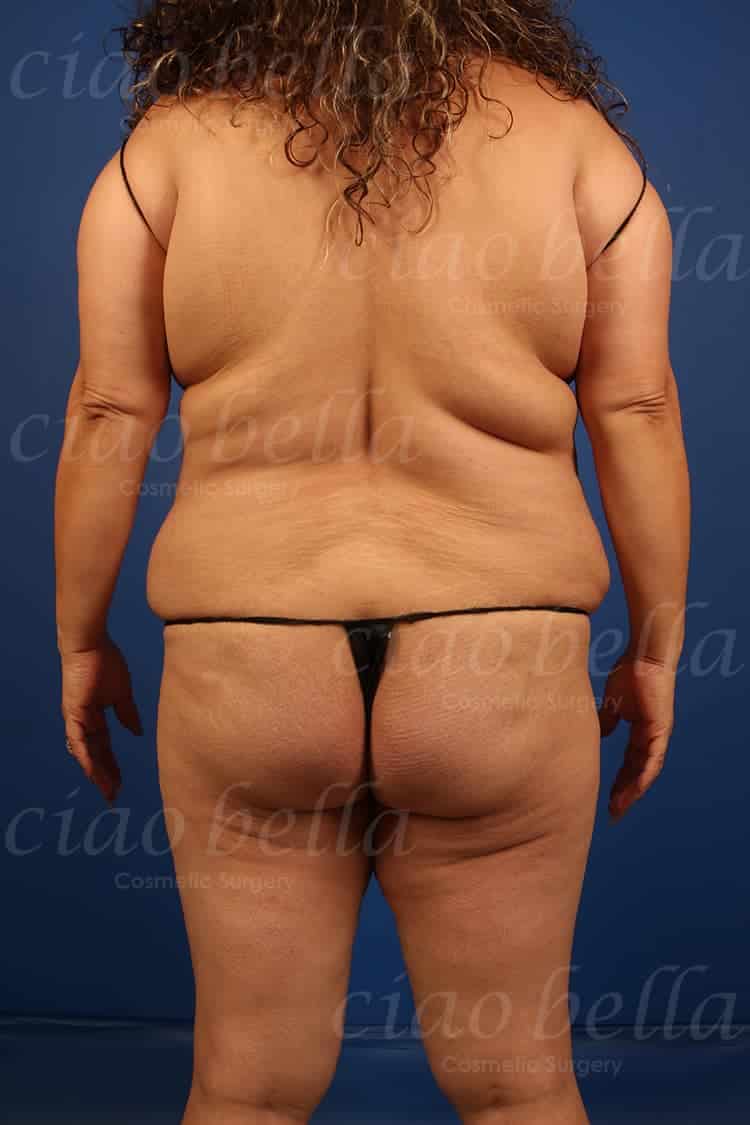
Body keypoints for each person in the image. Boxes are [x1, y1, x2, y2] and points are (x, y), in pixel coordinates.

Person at [54, 2, 690, 1123]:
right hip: (494, 661)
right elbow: (636, 407)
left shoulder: (166, 153)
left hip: (250, 660)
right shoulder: (580, 144)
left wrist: (79, 638)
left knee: (245, 1089)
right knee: (519, 1088)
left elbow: (110, 411)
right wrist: (655, 649)